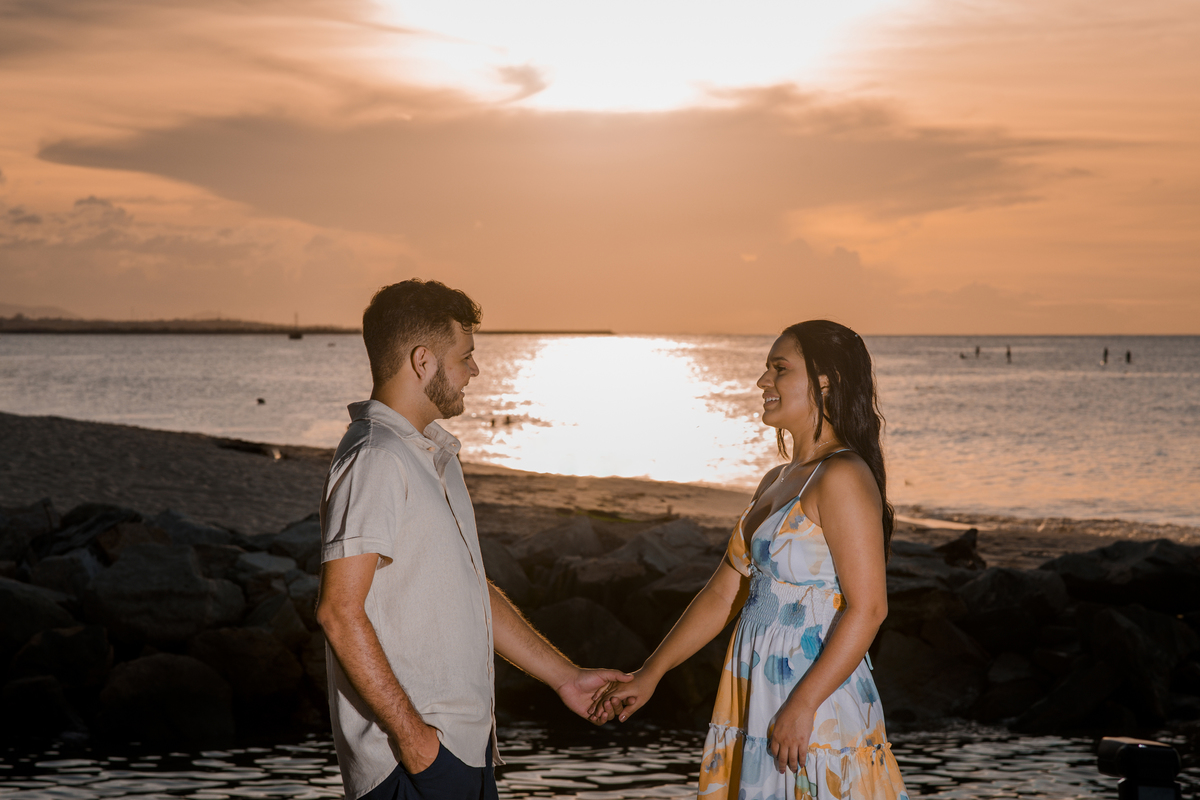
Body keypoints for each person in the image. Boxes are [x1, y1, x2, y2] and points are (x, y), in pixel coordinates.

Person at [316, 279, 630, 800]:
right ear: (423, 361)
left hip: (464, 750)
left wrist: (565, 678)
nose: (475, 370)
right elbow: (337, 612)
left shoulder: (433, 456)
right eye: (466, 356)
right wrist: (417, 744)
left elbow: (467, 589)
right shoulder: (376, 458)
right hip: (409, 765)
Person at [592, 320, 908, 800]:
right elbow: (723, 593)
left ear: (827, 382)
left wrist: (802, 704)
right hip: (758, 688)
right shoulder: (778, 479)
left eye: (779, 369)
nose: (763, 382)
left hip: (813, 695)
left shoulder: (842, 475)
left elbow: (869, 609)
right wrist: (650, 674)